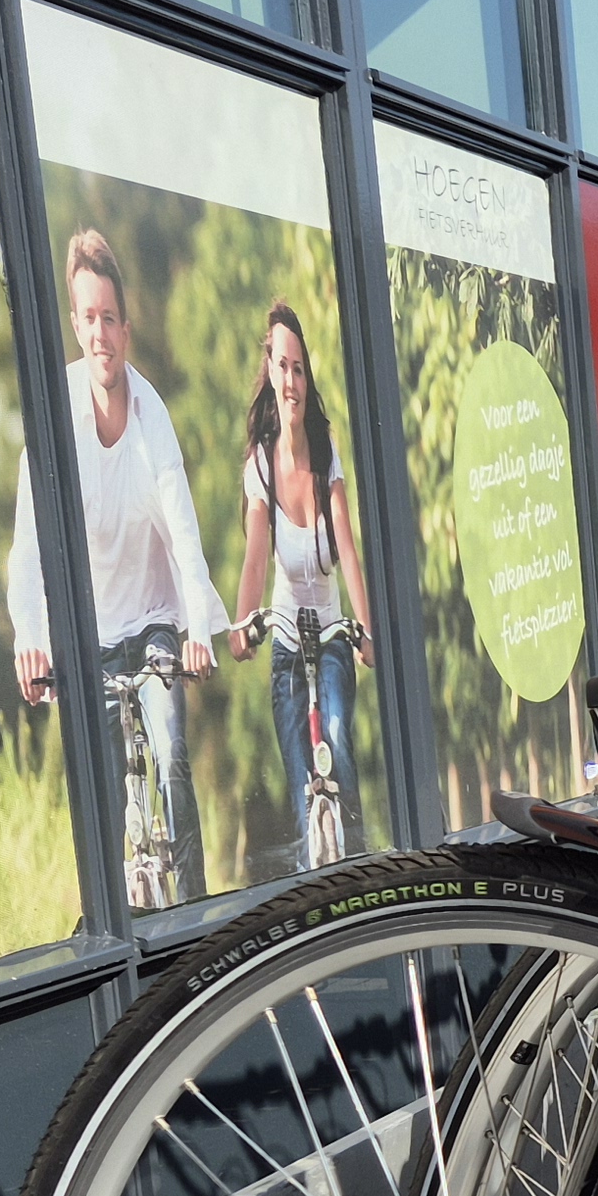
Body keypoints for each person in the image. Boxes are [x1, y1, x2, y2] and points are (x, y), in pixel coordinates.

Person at [7, 226, 232, 902]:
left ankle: (194, 912)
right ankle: (109, 923)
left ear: (125, 330)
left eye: (110, 318)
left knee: (172, 756)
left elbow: (183, 528)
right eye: (88, 318)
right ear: (75, 326)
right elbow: (29, 545)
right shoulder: (55, 418)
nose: (100, 333)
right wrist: (31, 638)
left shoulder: (150, 416)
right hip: (91, 641)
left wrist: (197, 631)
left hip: (155, 622)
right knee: (101, 806)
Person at [230, 301, 374, 865]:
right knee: (300, 784)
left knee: (336, 735)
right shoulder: (260, 468)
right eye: (282, 367)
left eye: (299, 369)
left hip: (331, 634)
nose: (290, 381)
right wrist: (242, 626)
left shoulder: (325, 453)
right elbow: (255, 559)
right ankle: (313, 876)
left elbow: (348, 546)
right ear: (269, 372)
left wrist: (367, 632)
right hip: (288, 642)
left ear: (306, 378)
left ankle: (361, 864)